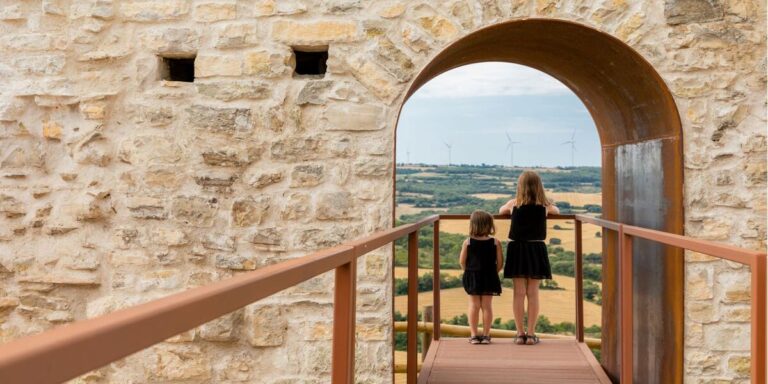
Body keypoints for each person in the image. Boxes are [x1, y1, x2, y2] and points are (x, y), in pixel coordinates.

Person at [499, 171, 559, 345]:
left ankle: (519, 334)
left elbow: (501, 210)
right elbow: (557, 210)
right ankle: (531, 334)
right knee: (533, 293)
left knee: (518, 293)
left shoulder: (514, 204)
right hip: (536, 248)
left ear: (520, 186)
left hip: (517, 248)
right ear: (539, 187)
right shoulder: (545, 206)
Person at [459, 210, 503, 345]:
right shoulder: (496, 242)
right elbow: (500, 263)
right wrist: (492, 272)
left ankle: (473, 335)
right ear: (489, 225)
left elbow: (462, 262)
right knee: (487, 306)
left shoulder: (468, 242)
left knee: (474, 306)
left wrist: (470, 272)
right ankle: (486, 335)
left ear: (473, 225)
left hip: (473, 276)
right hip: (489, 276)